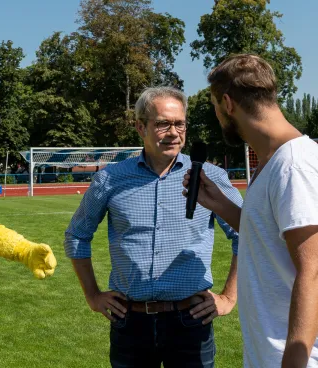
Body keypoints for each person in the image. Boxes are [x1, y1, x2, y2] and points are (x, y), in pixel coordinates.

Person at [65, 86, 244, 367]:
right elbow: (77, 235)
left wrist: (229, 297)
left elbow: (245, 234)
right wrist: (93, 296)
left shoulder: (210, 176)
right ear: (140, 127)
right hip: (130, 322)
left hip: (191, 321)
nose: (173, 132)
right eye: (162, 123)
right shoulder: (111, 178)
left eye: (179, 124)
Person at [182, 54, 318, 368]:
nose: (217, 116)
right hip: (267, 353)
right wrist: (221, 204)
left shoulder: (294, 165)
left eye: (215, 107)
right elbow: (271, 236)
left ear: (227, 103)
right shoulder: (271, 162)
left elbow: (312, 271)